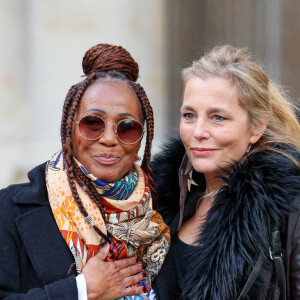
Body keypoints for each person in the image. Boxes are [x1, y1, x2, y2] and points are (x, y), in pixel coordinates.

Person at [0, 43, 170, 300]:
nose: (110, 139)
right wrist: (80, 291)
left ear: (139, 142)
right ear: (70, 132)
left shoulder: (167, 213)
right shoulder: (8, 210)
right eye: (93, 123)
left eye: (126, 127)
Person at [151, 45, 300, 299]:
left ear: (256, 126)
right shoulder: (157, 197)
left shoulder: (288, 207)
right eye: (189, 115)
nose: (198, 132)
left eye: (217, 117)